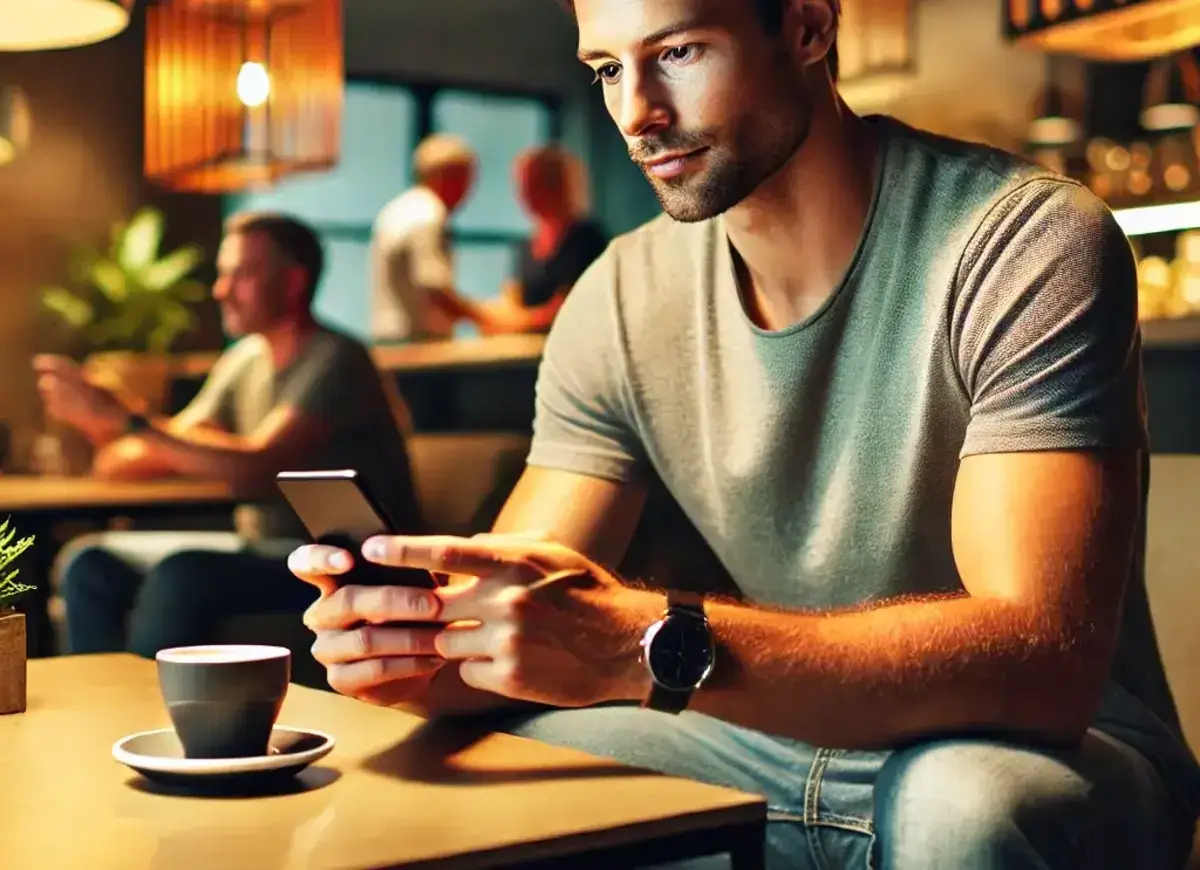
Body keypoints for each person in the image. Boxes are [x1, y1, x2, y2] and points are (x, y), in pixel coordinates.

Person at [288, 0, 1200, 868]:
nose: (637, 112)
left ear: (806, 25)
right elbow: (528, 604)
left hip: (1049, 754)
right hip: (776, 742)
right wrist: (418, 648)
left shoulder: (1024, 241)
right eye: (608, 69)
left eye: (678, 52)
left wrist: (636, 641)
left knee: (958, 805)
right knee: (499, 766)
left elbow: (1042, 666)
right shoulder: (618, 297)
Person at [38, 212, 422, 658]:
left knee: (183, 572)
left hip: (343, 560)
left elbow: (261, 469)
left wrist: (133, 421)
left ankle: (148, 713)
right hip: (264, 546)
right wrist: (109, 422)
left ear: (294, 283)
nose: (221, 291)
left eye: (242, 275)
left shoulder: (337, 360)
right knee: (91, 561)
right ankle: (97, 711)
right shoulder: (244, 359)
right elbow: (122, 463)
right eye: (223, 275)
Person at [437, 145, 609, 335]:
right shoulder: (527, 244)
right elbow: (512, 298)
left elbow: (569, 309)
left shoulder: (586, 238)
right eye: (522, 185)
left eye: (533, 184)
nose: (524, 194)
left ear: (558, 184)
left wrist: (513, 323)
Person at [370, 133, 476, 343]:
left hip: (386, 335)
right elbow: (435, 289)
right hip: (416, 342)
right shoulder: (429, 215)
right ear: (450, 175)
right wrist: (488, 319)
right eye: (466, 178)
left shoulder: (399, 208)